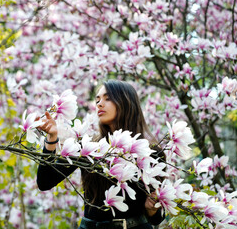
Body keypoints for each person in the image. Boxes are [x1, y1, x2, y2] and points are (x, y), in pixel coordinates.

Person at [37, 80, 165, 229]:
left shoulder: (151, 152)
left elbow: (157, 219)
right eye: (97, 100)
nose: (99, 104)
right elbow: (45, 182)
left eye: (107, 98)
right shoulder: (88, 147)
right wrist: (52, 138)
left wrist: (152, 209)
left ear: (126, 102)